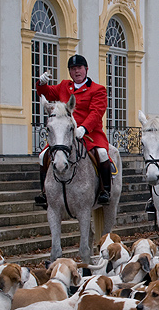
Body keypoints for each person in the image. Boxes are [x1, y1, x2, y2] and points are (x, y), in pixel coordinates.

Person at [35, 54, 112, 207]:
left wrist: (84, 128)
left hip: (90, 134)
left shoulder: (98, 89)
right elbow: (46, 93)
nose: (77, 71)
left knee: (102, 154)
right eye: (73, 69)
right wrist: (41, 83)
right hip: (64, 133)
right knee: (43, 155)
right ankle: (44, 192)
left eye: (79, 68)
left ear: (86, 69)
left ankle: (105, 190)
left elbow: (96, 112)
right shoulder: (64, 86)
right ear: (70, 71)